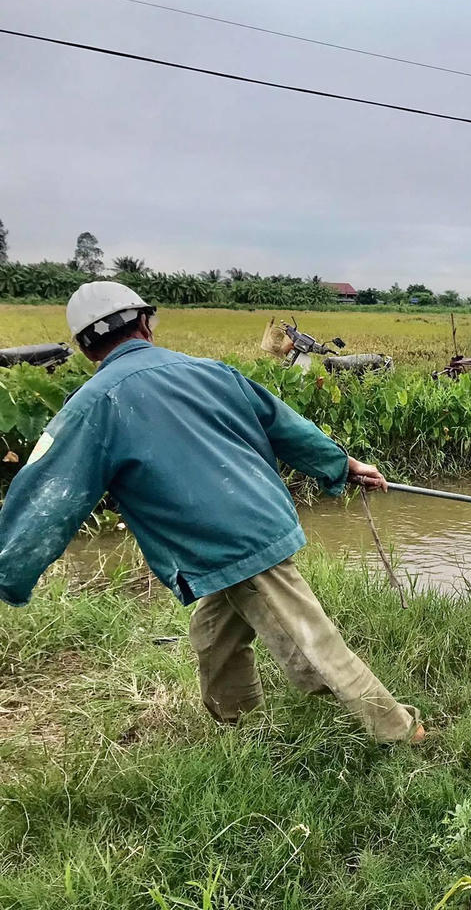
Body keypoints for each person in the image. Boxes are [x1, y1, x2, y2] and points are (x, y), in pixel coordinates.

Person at [0, 282, 424, 744]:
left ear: (84, 349)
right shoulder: (209, 372)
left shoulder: (92, 406)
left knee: (313, 646)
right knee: (213, 634)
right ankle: (240, 730)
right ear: (145, 324)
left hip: (227, 539)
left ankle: (402, 733)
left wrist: (8, 567)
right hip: (252, 525)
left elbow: (45, 494)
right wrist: (343, 463)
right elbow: (285, 425)